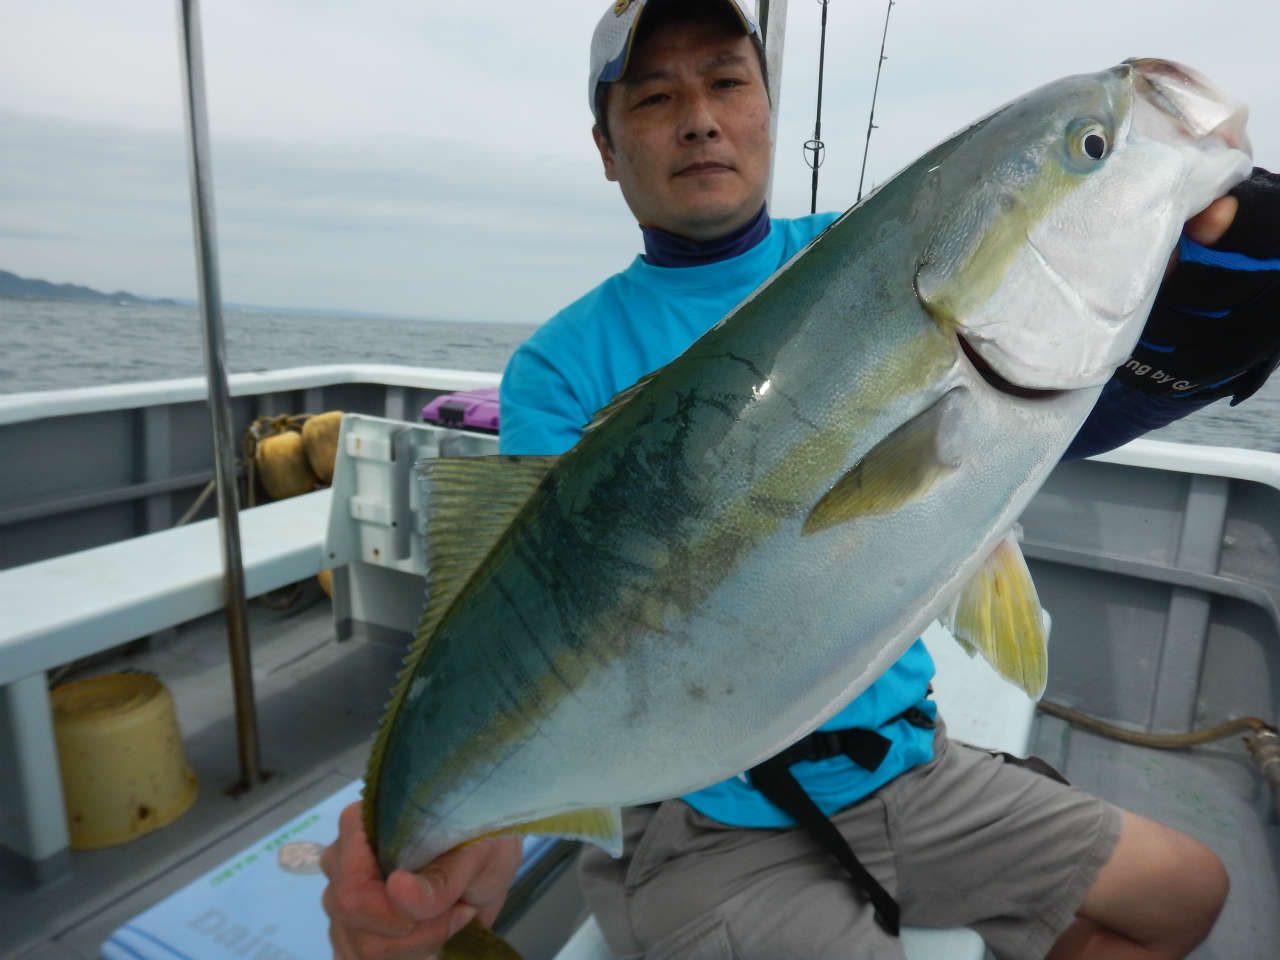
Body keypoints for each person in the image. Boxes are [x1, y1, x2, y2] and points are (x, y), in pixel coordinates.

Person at [321, 2, 1280, 957]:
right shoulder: (563, 364)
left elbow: (1088, 406)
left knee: (1185, 892)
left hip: (903, 767)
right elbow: (543, 628)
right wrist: (471, 832)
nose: (700, 117)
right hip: (699, 817)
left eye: (728, 82)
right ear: (608, 149)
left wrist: (1205, 317)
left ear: (766, 111)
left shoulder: (870, 247)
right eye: (655, 97)